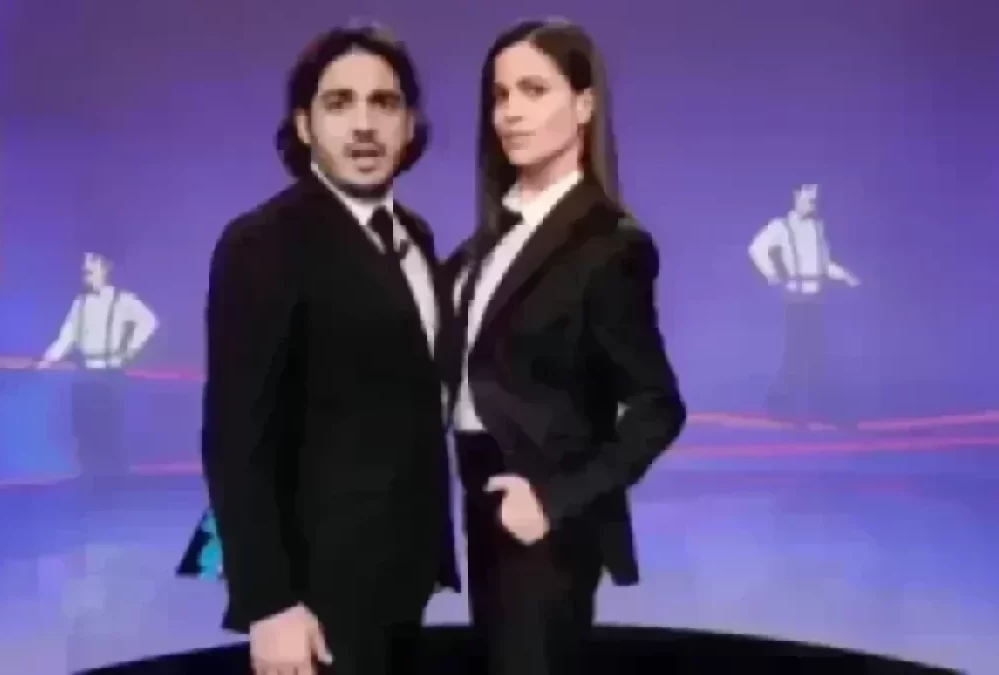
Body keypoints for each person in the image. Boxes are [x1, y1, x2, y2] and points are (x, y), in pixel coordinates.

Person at [197, 24, 458, 675]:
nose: (364, 124)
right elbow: (235, 438)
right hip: (313, 597)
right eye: (339, 103)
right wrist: (268, 603)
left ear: (409, 125)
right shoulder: (264, 242)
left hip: (402, 577)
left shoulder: (417, 236)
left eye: (384, 103)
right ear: (304, 125)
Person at [441, 19, 687, 675]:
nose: (510, 112)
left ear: (583, 104)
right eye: (499, 95)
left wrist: (553, 500)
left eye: (534, 90)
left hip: (548, 521)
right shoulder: (481, 245)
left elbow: (659, 407)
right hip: (478, 497)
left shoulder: (608, 244)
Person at [37, 249, 158, 480]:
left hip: (110, 375)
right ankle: (89, 481)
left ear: (106, 267)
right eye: (85, 263)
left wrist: (129, 351)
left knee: (109, 433)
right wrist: (47, 359)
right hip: (85, 374)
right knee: (84, 433)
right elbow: (66, 337)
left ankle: (112, 484)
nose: (86, 268)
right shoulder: (80, 303)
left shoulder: (123, 299)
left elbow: (149, 321)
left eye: (92, 262)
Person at [747, 183, 859, 423]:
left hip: (815, 299)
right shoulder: (781, 226)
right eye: (809, 197)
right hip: (795, 300)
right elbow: (756, 249)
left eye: (815, 198)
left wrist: (844, 275)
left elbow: (824, 264)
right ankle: (781, 408)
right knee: (795, 357)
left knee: (817, 356)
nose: (813, 202)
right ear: (796, 196)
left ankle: (819, 408)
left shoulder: (817, 228)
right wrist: (772, 275)